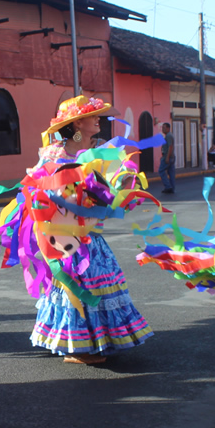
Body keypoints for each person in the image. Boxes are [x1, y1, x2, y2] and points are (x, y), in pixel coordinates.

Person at [24, 96, 155, 365]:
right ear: (75, 124)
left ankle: (96, 341)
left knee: (101, 283)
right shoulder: (55, 156)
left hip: (91, 234)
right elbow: (38, 195)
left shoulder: (98, 153)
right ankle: (78, 347)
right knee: (78, 286)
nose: (99, 119)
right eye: (92, 115)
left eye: (99, 115)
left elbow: (107, 191)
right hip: (65, 237)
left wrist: (123, 192)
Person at [158, 122, 175, 194]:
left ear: (168, 128)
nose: (162, 129)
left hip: (168, 157)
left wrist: (167, 157)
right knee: (171, 173)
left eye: (164, 128)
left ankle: (168, 186)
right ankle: (171, 187)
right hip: (171, 157)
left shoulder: (168, 136)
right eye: (162, 128)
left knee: (161, 171)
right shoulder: (169, 135)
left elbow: (170, 147)